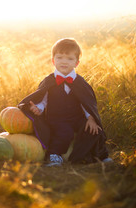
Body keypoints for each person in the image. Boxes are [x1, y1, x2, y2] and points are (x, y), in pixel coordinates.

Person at [18, 38, 112, 166]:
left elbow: (85, 104)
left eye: (69, 59)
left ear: (76, 63)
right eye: (60, 57)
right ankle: (54, 155)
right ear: (53, 60)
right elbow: (42, 100)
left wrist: (90, 118)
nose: (64, 62)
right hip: (57, 119)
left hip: (77, 117)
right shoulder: (49, 81)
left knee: (94, 129)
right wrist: (37, 109)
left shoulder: (80, 82)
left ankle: (99, 155)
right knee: (64, 132)